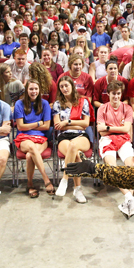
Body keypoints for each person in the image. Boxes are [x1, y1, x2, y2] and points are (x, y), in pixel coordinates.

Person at [97, 80, 134, 216]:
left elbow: (127, 129)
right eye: (113, 94)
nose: (116, 96)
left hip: (124, 139)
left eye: (118, 94)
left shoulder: (127, 109)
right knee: (112, 168)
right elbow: (101, 132)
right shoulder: (102, 108)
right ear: (108, 94)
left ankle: (129, 199)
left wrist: (108, 127)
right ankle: (130, 197)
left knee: (131, 167)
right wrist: (116, 129)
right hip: (107, 140)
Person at [52, 75, 91, 203]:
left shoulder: (83, 101)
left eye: (66, 85)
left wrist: (67, 122)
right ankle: (77, 189)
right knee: (76, 155)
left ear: (72, 86)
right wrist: (74, 123)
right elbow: (58, 126)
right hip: (64, 136)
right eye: (61, 86)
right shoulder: (57, 104)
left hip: (80, 135)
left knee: (73, 146)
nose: (64, 88)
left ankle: (64, 179)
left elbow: (85, 124)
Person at [14, 80, 53, 198]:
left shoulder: (45, 104)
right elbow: (20, 126)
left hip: (41, 137)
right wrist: (38, 123)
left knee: (29, 155)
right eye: (31, 89)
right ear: (26, 90)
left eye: (36, 89)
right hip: (23, 137)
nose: (33, 91)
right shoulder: (19, 104)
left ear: (39, 90)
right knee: (30, 147)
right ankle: (46, 179)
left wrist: (30, 125)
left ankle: (30, 184)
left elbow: (46, 126)